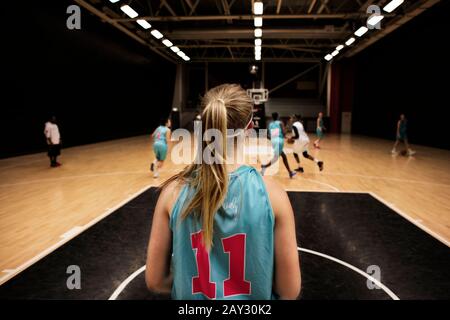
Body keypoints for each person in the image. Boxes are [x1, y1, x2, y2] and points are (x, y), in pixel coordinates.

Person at [145, 84, 301, 300]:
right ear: (249, 127)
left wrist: (194, 283)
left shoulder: (172, 192)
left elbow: (155, 281)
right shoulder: (274, 195)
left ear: (205, 124)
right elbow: (289, 291)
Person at [261, 112, 296, 179]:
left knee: (284, 156)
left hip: (274, 141)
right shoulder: (280, 123)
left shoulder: (270, 124)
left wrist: (276, 139)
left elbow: (269, 136)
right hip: (279, 142)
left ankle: (290, 172)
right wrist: (287, 127)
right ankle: (264, 166)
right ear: (278, 116)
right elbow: (283, 133)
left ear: (272, 117)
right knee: (276, 158)